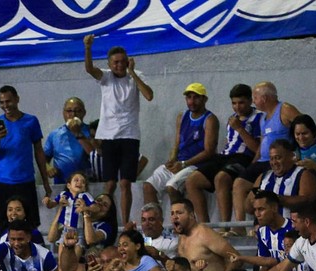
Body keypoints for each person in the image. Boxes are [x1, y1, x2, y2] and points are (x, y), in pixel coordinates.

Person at [84, 34, 154, 225]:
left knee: (125, 183)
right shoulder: (106, 77)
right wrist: (88, 48)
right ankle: (105, 219)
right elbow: (90, 69)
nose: (119, 65)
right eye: (115, 62)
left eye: (123, 61)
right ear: (109, 63)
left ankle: (125, 222)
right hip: (108, 135)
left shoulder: (136, 75)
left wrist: (132, 73)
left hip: (130, 135)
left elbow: (148, 95)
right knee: (110, 183)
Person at [183, 83, 263, 225]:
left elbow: (258, 148)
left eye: (241, 103)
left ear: (250, 101)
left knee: (221, 178)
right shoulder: (232, 118)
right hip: (225, 156)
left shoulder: (259, 118)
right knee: (191, 180)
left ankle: (225, 226)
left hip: (244, 157)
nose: (237, 107)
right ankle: (204, 226)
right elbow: (229, 142)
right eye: (234, 103)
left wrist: (240, 129)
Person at [143, 83, 219, 221]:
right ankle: (154, 229)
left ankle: (181, 226)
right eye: (189, 97)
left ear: (204, 99)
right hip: (181, 162)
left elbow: (209, 151)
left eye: (196, 97)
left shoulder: (210, 119)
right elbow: (177, 143)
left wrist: (183, 164)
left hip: (197, 164)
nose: (192, 101)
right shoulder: (182, 116)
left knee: (172, 186)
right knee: (149, 186)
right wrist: (172, 159)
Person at [230, 82, 301, 223]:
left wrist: (299, 153)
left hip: (277, 162)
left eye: (255, 98)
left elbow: (304, 125)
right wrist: (253, 163)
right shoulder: (263, 118)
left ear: (264, 98)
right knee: (239, 185)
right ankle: (238, 226)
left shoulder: (285, 109)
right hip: (262, 161)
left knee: (258, 194)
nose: (254, 102)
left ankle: (263, 223)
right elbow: (262, 144)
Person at [0, 86, 53, 228]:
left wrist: (45, 181)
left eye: (8, 101)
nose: (5, 106)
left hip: (26, 181)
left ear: (17, 99)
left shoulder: (31, 121)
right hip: (3, 181)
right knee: (3, 225)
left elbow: (39, 152)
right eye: (2, 102)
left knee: (30, 224)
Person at [171, 200, 239, 271]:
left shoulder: (204, 234)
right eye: (172, 213)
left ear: (191, 215)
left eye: (179, 213)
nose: (174, 217)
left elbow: (236, 259)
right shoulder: (181, 237)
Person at [44, 97, 93, 184]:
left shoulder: (91, 131)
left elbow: (95, 154)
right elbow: (43, 159)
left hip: (87, 182)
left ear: (84, 113)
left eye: (78, 111)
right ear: (63, 113)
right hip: (62, 182)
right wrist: (48, 168)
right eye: (69, 111)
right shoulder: (55, 134)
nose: (73, 114)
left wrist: (78, 133)